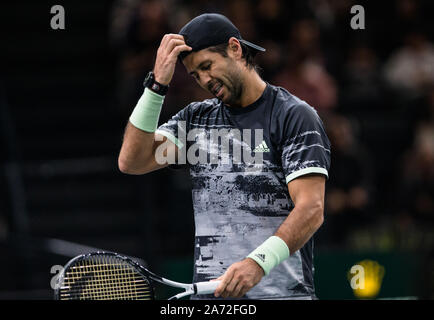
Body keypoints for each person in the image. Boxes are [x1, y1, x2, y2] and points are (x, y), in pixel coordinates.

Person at [118, 13, 331, 300]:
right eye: (195, 74)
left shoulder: (293, 116)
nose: (205, 80)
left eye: (207, 66)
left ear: (235, 48)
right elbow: (132, 161)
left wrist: (258, 263)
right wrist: (157, 85)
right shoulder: (196, 120)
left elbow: (311, 209)